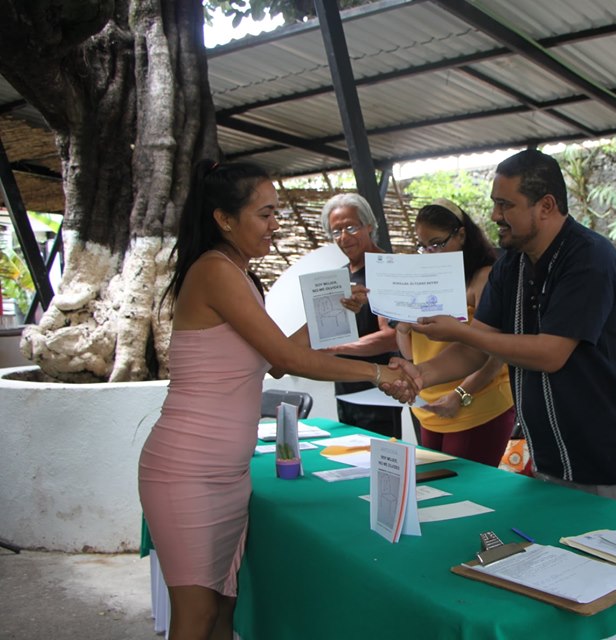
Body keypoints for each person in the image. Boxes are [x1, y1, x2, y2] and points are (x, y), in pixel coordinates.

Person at [138, 161, 411, 640]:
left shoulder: (239, 275)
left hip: (226, 472)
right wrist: (379, 372)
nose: (275, 225)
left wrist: (335, 309)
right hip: (189, 470)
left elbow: (276, 362)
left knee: (224, 612)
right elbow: (287, 356)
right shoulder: (214, 271)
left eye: (276, 213)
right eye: (265, 215)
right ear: (225, 219)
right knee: (197, 615)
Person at [385, 149, 616, 508]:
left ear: (545, 206)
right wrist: (421, 373)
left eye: (505, 205)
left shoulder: (590, 260)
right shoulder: (509, 267)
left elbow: (550, 353)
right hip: (550, 460)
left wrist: (460, 331)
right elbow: (476, 349)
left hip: (613, 462)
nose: (495, 215)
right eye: (495, 204)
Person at [393, 198, 515, 466]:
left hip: (476, 404)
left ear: (461, 235)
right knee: (437, 494)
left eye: (436, 244)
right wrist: (402, 328)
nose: (429, 253)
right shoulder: (421, 281)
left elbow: (497, 352)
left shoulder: (484, 277)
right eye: (422, 247)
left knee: (467, 498)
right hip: (431, 406)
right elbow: (416, 353)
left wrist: (460, 395)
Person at [320, 193, 403, 438]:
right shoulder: (340, 275)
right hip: (345, 387)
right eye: (336, 231)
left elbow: (391, 337)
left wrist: (334, 348)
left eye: (351, 227)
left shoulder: (386, 268)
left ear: (369, 225)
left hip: (378, 390)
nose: (344, 237)